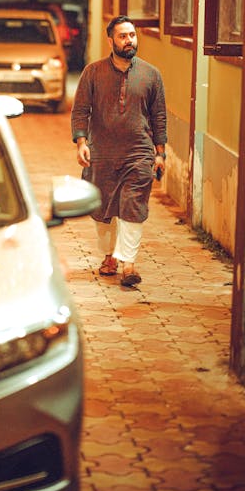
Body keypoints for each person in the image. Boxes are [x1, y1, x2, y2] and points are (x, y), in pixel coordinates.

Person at [71, 15, 167, 287]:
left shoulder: (151, 75)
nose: (129, 40)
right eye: (123, 36)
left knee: (132, 205)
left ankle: (128, 264)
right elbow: (81, 110)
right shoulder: (93, 72)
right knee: (102, 208)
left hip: (139, 152)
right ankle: (109, 255)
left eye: (132, 35)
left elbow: (159, 116)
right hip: (101, 152)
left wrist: (160, 153)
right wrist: (81, 142)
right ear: (111, 39)